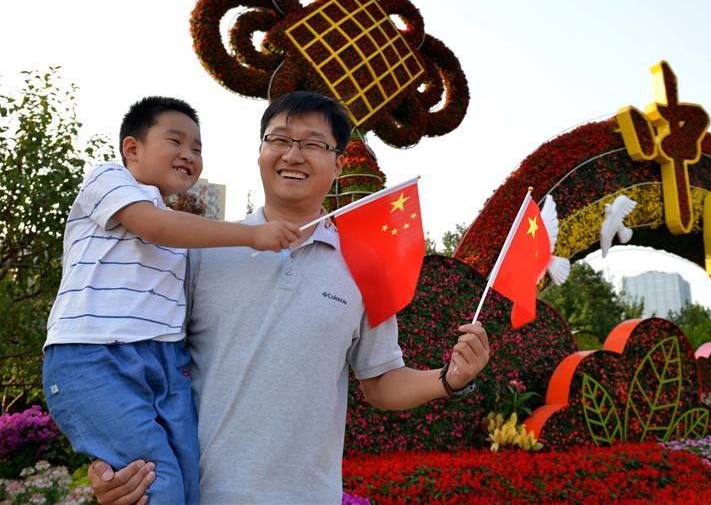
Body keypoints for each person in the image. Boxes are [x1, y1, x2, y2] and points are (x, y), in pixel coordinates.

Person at [88, 91, 491, 504]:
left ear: (338, 164)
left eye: (313, 144)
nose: (293, 155)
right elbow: (136, 358)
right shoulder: (202, 252)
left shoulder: (365, 266)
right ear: (260, 152)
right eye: (279, 140)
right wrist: (112, 456)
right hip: (201, 494)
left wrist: (449, 379)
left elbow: (381, 382)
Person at [43, 97, 303, 504]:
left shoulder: (181, 236)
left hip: (166, 360)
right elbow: (154, 225)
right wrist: (252, 235)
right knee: (155, 481)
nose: (189, 155)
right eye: (176, 141)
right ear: (132, 148)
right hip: (94, 355)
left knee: (189, 477)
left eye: (197, 149)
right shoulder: (110, 179)